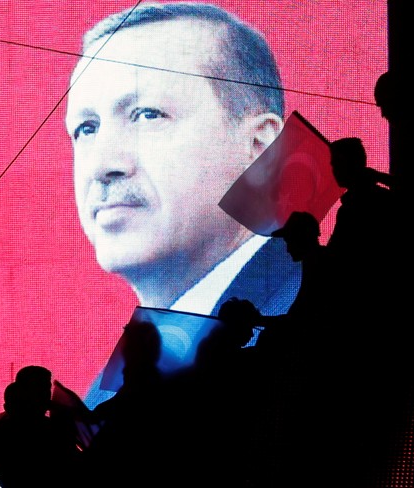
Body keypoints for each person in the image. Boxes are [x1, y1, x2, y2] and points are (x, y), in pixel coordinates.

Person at [65, 2, 301, 407]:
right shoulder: (101, 395)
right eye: (86, 128)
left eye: (147, 115)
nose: (102, 166)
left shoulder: (322, 325)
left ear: (260, 148)